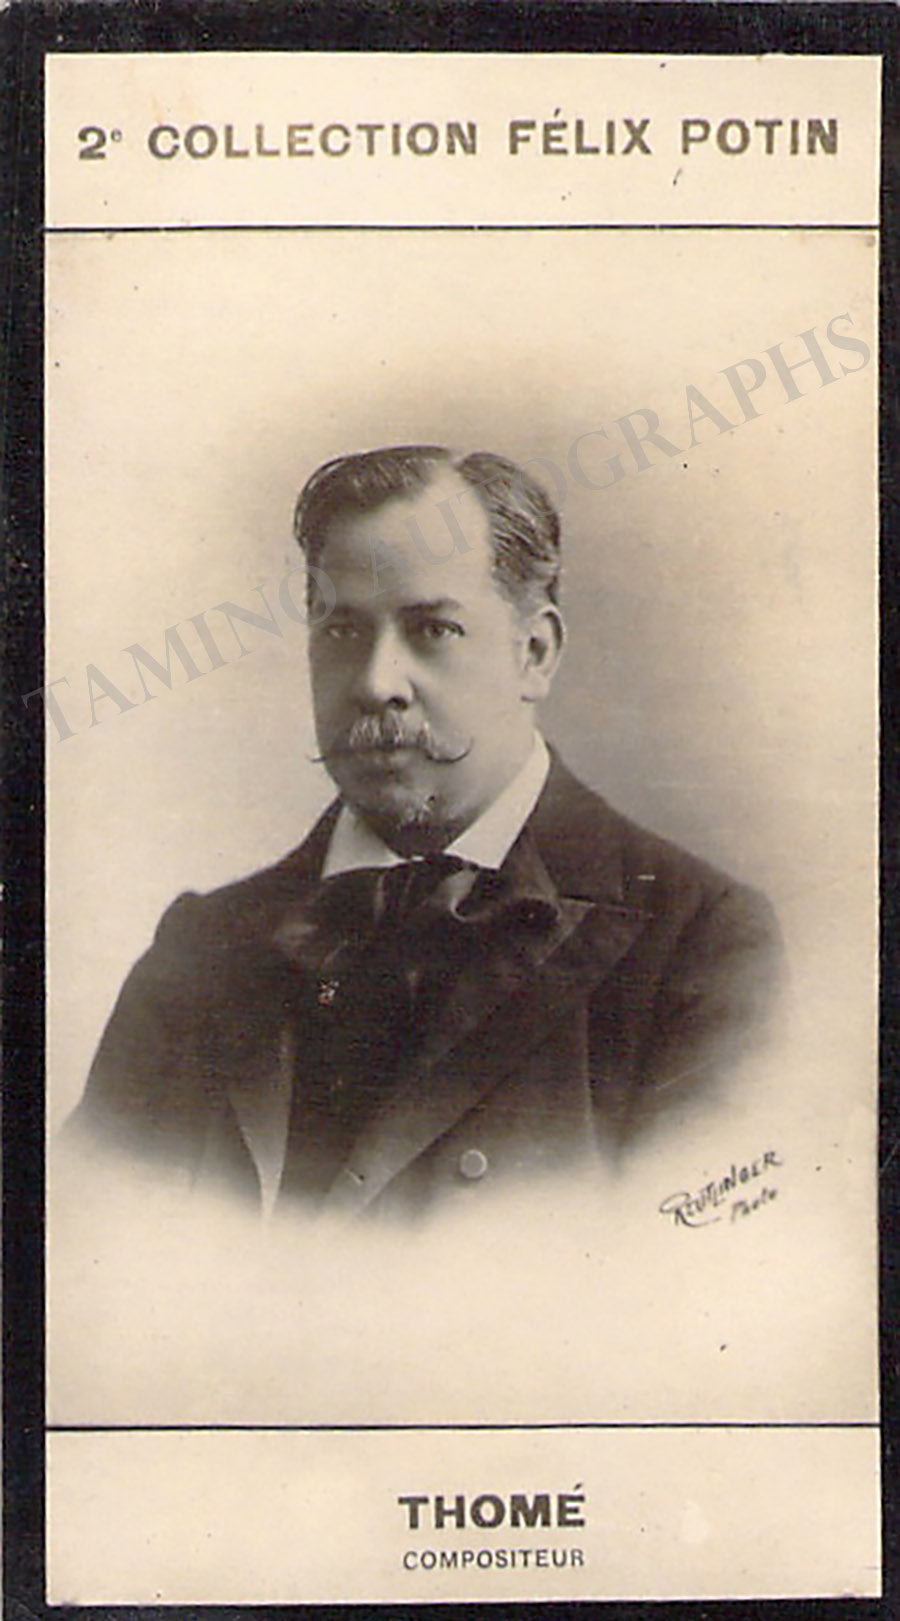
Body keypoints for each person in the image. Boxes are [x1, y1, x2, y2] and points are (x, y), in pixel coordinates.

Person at [66, 446, 781, 1220]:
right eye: (342, 632)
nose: (376, 682)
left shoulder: (696, 944)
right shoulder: (200, 951)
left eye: (433, 629)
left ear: (534, 654)